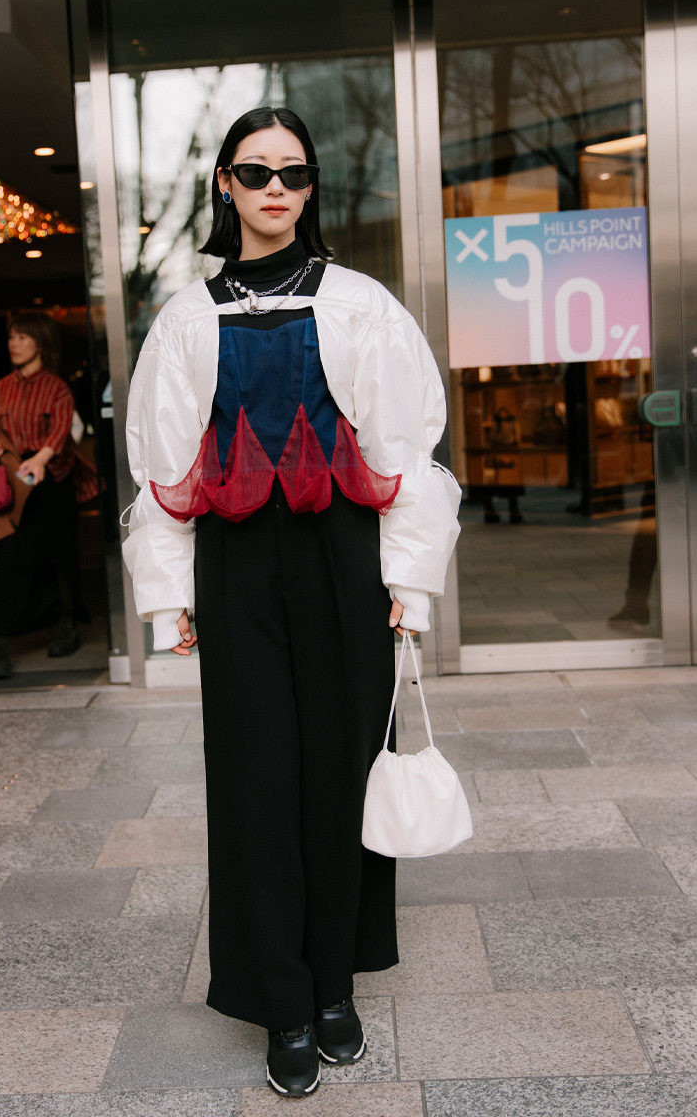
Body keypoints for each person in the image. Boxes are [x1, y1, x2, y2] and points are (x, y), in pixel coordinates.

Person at [123, 107, 461, 1099]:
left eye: (294, 174)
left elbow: (408, 451)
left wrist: (407, 587)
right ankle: (279, 998)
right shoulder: (186, 317)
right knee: (253, 778)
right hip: (234, 567)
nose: (276, 189)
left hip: (339, 560)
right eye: (254, 172)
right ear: (224, 186)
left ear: (311, 189)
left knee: (337, 772)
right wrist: (166, 598)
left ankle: (331, 987)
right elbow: (162, 467)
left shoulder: (360, 305)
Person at [0, 313, 97, 680]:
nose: (14, 343)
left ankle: (67, 626)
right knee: (5, 557)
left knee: (59, 555)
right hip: (12, 485)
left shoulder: (57, 387)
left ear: (40, 344)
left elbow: (62, 429)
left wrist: (42, 458)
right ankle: (0, 644)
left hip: (51, 484)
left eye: (23, 338)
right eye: (12, 337)